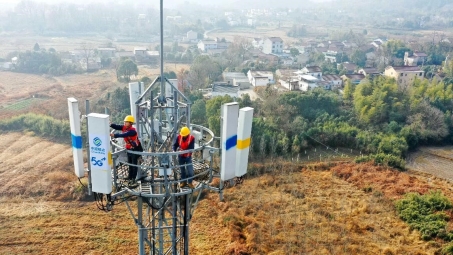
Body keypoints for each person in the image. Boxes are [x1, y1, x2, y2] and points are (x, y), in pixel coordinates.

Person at [110, 115, 143, 181]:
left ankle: (133, 179)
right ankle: (130, 177)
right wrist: (110, 124)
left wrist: (115, 135)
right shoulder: (124, 127)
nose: (124, 123)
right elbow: (117, 126)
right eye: (124, 122)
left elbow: (124, 135)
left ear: (130, 123)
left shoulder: (133, 131)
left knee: (134, 164)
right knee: (130, 164)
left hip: (134, 149)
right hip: (129, 148)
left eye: (126, 122)